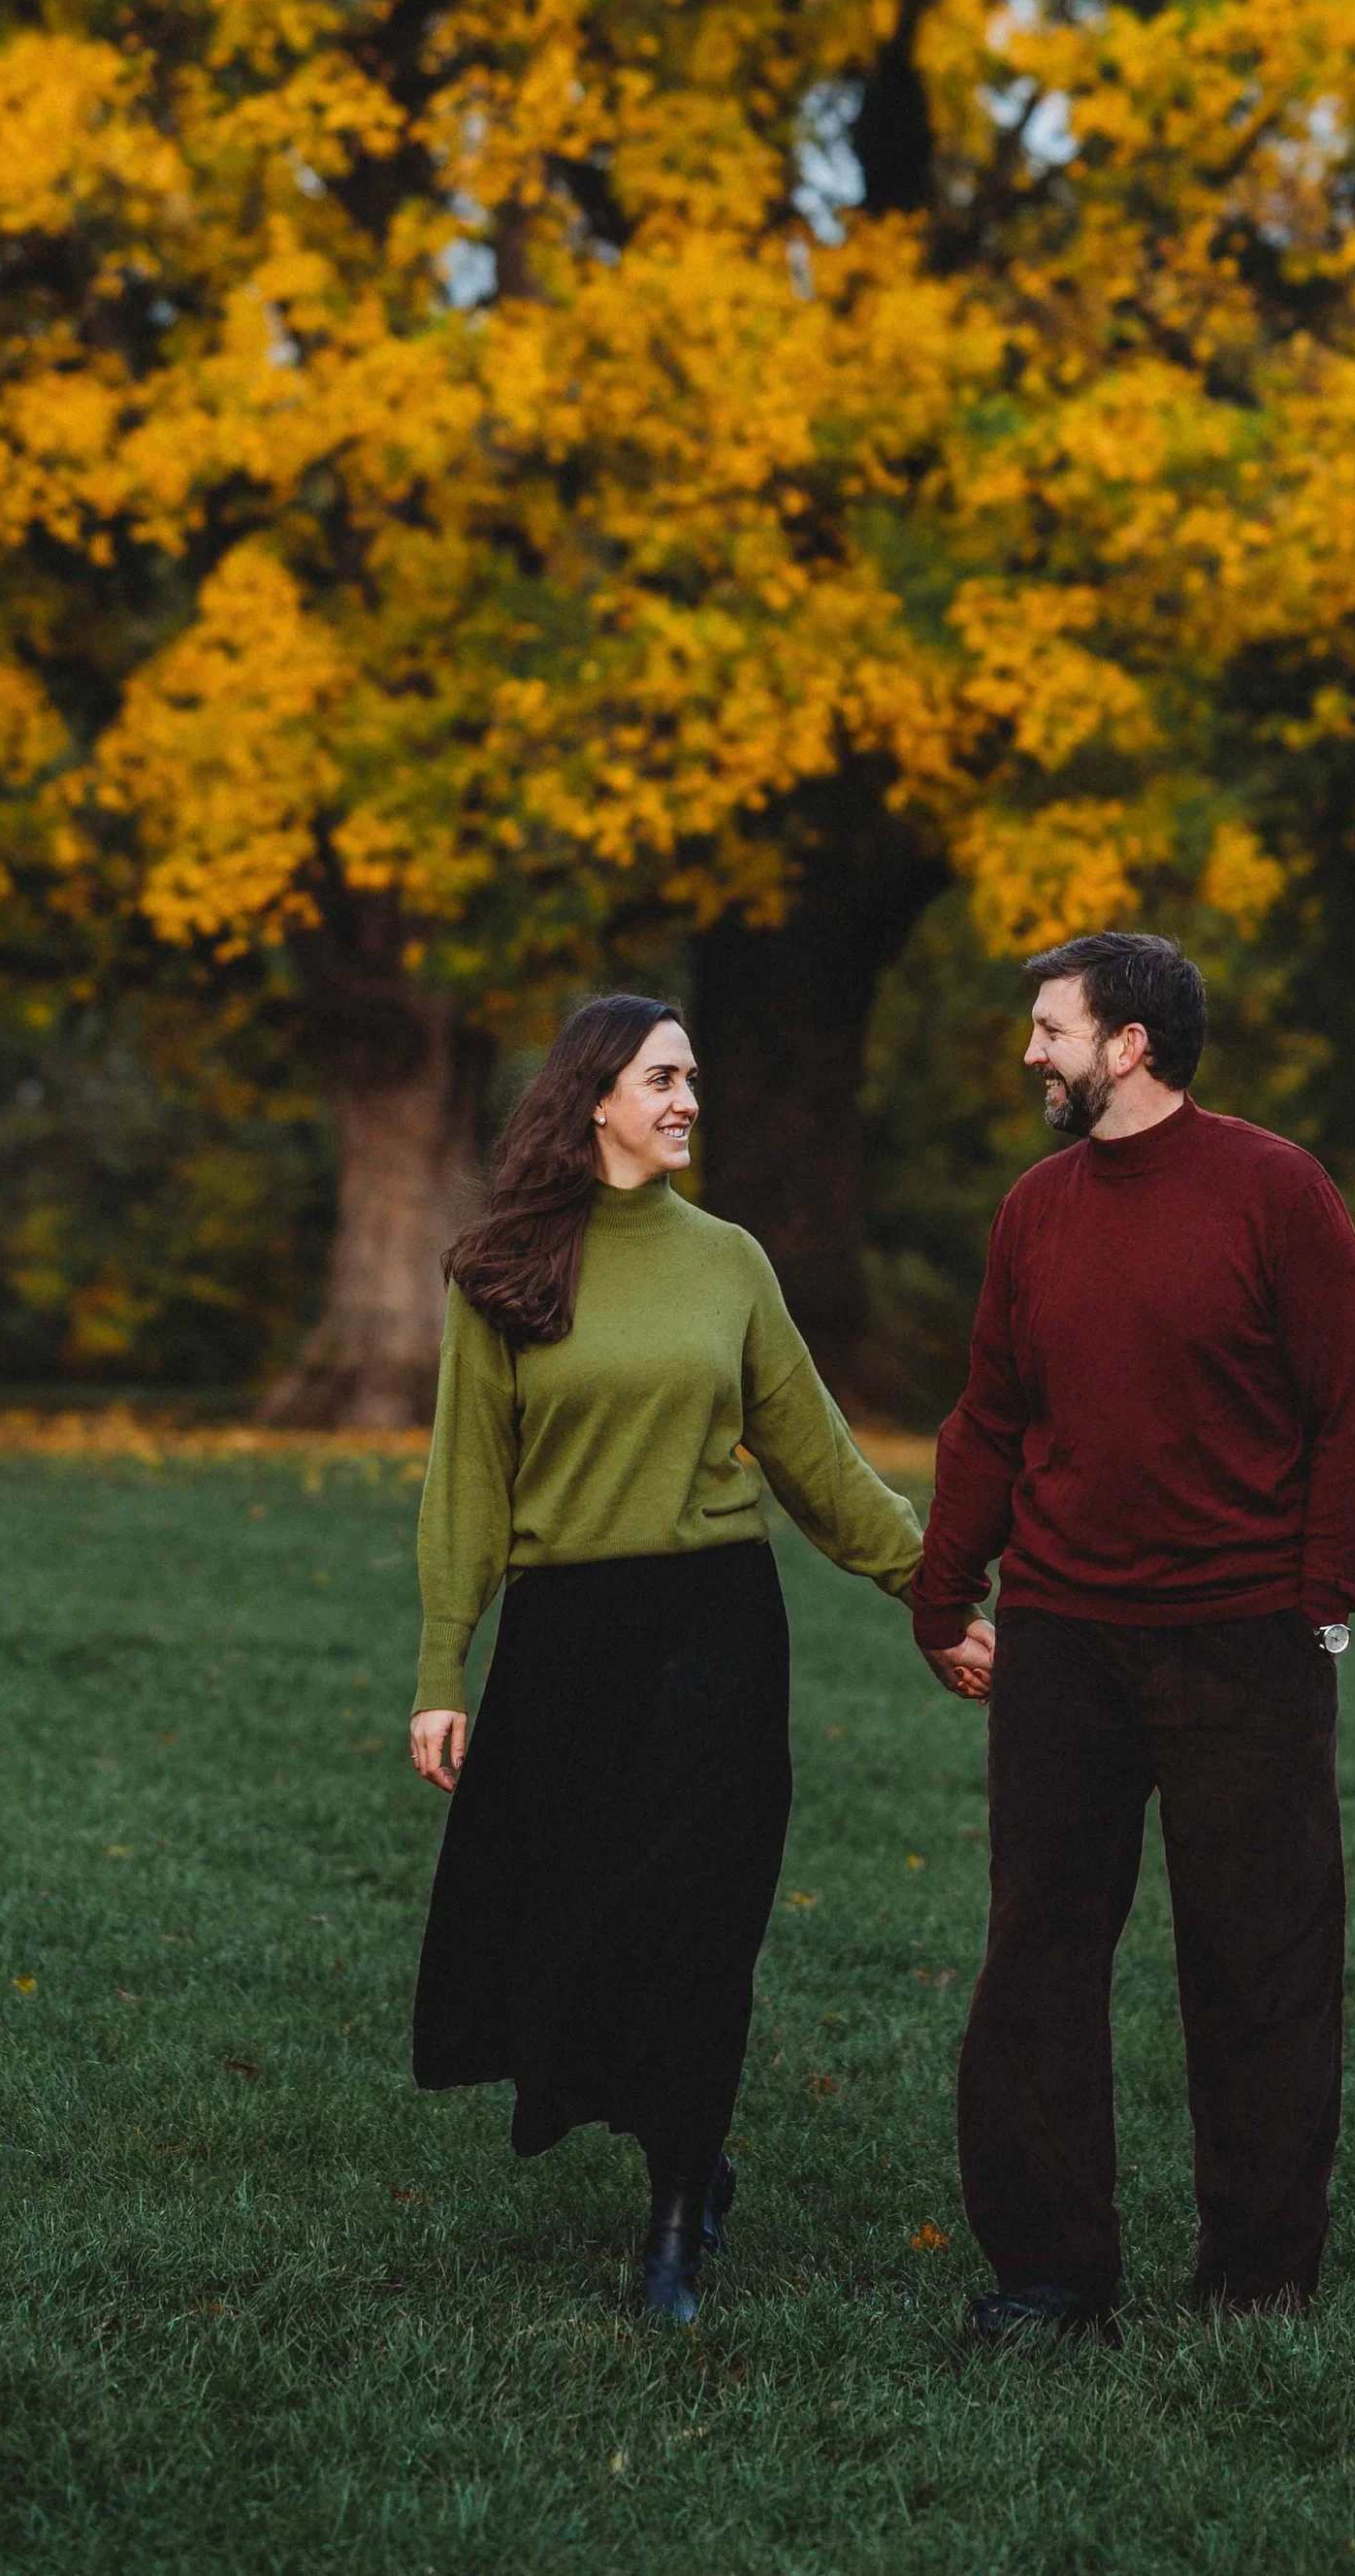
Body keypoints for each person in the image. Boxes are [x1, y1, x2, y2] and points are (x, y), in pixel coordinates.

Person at [409, 991, 995, 2324]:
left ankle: (681, 2201)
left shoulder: (729, 1261)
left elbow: (816, 1457)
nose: (687, 1101)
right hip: (566, 1641)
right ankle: (667, 2139)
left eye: (693, 1079)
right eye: (664, 1077)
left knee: (699, 1923)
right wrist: (445, 1666)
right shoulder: (501, 1269)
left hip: (716, 1635)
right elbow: (467, 1485)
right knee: (580, 1919)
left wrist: (934, 1592)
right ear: (595, 1096)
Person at [911, 930, 1355, 2345]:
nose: (1030, 1051)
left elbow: (1344, 1391)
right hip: (1062, 1634)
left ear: (1129, 1044)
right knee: (1038, 1954)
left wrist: (1322, 1591)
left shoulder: (1276, 1189)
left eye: (1050, 1027)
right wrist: (946, 1590)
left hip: (1244, 1637)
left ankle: (1257, 2276)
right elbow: (992, 1410)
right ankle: (1054, 2276)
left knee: (1259, 1959)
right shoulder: (1036, 1208)